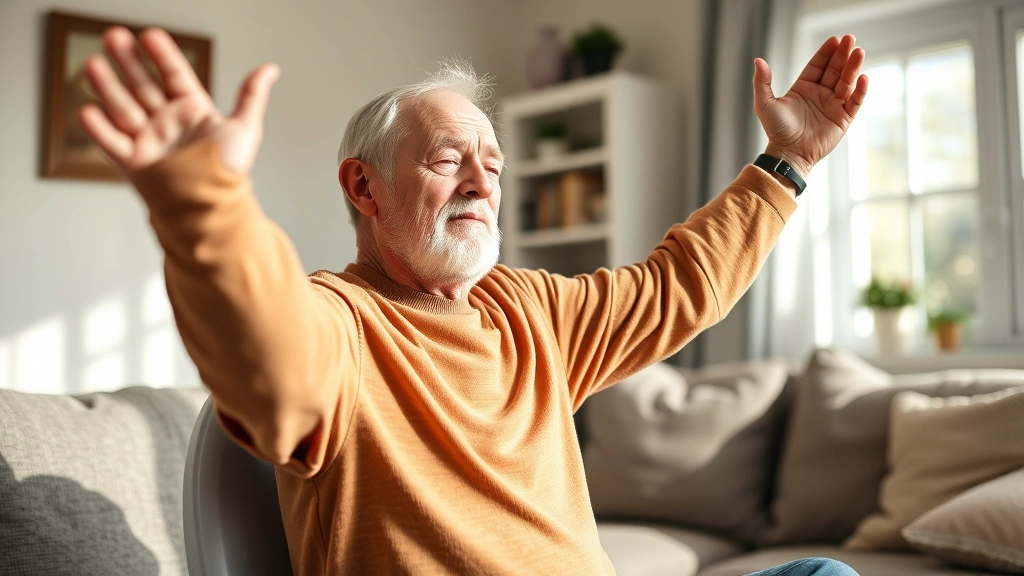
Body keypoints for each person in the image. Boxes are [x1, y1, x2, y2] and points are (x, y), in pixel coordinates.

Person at [80, 26, 867, 576]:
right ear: (365, 187)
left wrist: (786, 161)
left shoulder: (529, 309)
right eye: (449, 159)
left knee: (821, 575)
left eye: (492, 165)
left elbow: (675, 286)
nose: (482, 183)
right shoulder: (342, 323)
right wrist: (203, 205)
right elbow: (265, 360)